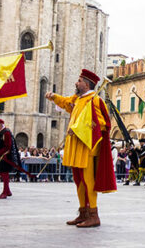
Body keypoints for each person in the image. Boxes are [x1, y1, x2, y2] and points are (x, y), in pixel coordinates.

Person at [48, 68, 115, 228]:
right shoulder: (78, 100)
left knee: (88, 180)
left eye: (79, 81)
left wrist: (79, 129)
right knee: (78, 181)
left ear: (86, 84)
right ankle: (83, 212)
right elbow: (66, 103)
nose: (76, 83)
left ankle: (93, 214)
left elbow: (102, 124)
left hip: (87, 147)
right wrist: (54, 97)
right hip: (75, 147)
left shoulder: (96, 101)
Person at [0, 118, 16, 200]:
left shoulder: (6, 133)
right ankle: (7, 191)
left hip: (6, 156)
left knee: (4, 173)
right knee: (3, 173)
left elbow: (8, 146)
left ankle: (4, 192)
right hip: (2, 156)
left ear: (1, 125)